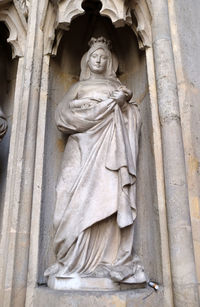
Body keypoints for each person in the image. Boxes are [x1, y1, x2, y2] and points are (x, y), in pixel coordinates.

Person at [45, 37, 146, 290]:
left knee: (108, 199)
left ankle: (107, 259)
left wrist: (121, 105)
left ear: (110, 61)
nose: (99, 60)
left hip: (109, 148)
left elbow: (133, 115)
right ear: (87, 60)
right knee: (68, 194)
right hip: (81, 147)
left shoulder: (117, 87)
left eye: (103, 57)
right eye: (94, 56)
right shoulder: (79, 87)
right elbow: (62, 116)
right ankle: (71, 258)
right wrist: (89, 111)